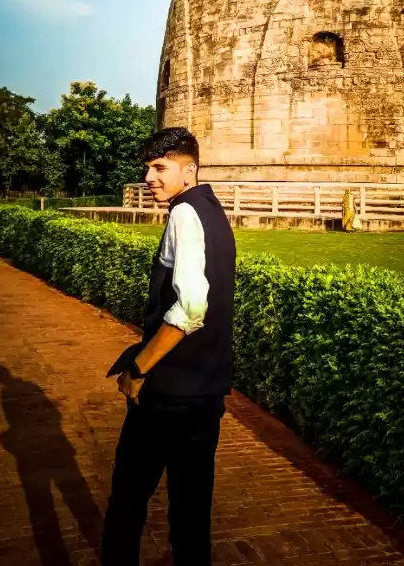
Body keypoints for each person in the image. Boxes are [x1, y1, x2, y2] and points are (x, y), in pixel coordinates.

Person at [101, 127, 236, 566]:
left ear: (188, 170)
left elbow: (192, 307)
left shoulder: (184, 213)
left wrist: (139, 368)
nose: (149, 177)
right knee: (192, 515)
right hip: (206, 393)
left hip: (169, 396)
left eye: (160, 168)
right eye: (148, 168)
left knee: (127, 503)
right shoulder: (214, 211)